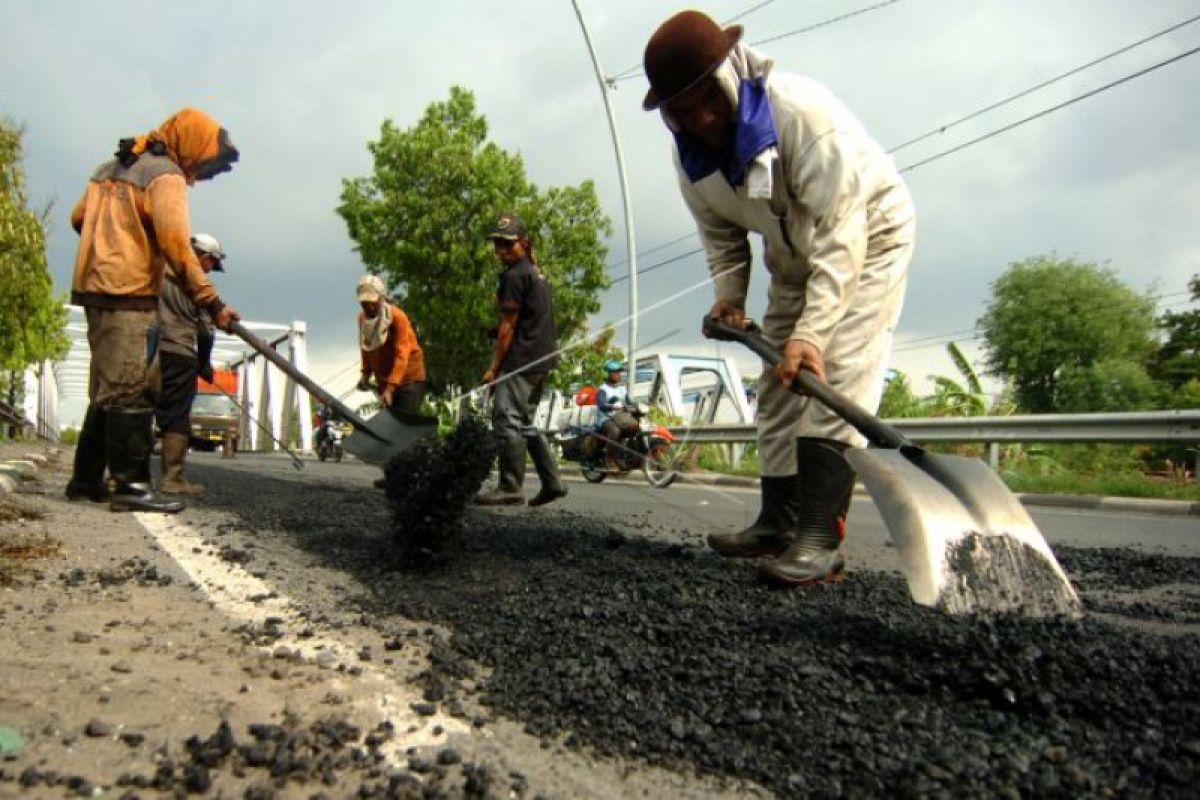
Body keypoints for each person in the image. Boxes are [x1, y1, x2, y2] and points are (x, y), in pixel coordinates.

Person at [642, 12, 916, 585]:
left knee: (830, 376)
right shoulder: (691, 160)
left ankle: (820, 537)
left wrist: (812, 336)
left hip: (870, 238)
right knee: (776, 387)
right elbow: (722, 239)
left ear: (730, 75)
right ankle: (778, 521)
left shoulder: (802, 117)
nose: (702, 120)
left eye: (707, 101)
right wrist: (729, 297)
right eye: (683, 113)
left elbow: (843, 234)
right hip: (791, 260)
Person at [65, 107, 240, 513]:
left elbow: (78, 218)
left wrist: (109, 241)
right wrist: (212, 303)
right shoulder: (165, 174)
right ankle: (130, 487)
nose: (202, 173)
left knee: (107, 389)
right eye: (205, 162)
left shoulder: (110, 167)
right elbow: (177, 246)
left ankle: (86, 480)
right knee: (131, 386)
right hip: (128, 291)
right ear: (192, 145)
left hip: (94, 288)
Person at [474, 212, 568, 508]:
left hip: (522, 359)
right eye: (497, 244)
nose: (501, 251)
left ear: (524, 242)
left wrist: (493, 368)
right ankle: (552, 482)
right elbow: (529, 319)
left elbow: (509, 328)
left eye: (508, 244)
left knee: (506, 418)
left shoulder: (515, 276)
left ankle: (510, 487)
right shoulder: (534, 272)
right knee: (524, 423)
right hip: (542, 357)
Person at [154, 232, 227, 496]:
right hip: (180, 351)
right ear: (204, 257)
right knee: (176, 416)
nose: (211, 271)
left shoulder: (159, 268)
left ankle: (127, 478)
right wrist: (205, 364)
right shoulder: (199, 285)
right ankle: (172, 478)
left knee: (140, 409)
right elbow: (206, 330)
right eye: (212, 264)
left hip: (149, 349)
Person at [354, 274, 427, 487]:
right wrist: (365, 373)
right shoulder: (362, 319)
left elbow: (402, 353)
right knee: (388, 428)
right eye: (364, 302)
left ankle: (412, 476)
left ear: (381, 298)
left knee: (403, 427)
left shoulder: (397, 317)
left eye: (371, 302)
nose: (368, 307)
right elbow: (366, 347)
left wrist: (391, 388)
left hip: (409, 378)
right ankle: (393, 476)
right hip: (385, 379)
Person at [594, 360, 638, 472]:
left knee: (635, 427)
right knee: (615, 431)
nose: (618, 375)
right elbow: (601, 404)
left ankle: (626, 456)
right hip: (606, 418)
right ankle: (609, 459)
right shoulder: (603, 389)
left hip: (619, 417)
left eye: (619, 372)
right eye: (615, 372)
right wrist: (613, 407)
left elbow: (629, 402)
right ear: (608, 374)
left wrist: (637, 407)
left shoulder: (622, 388)